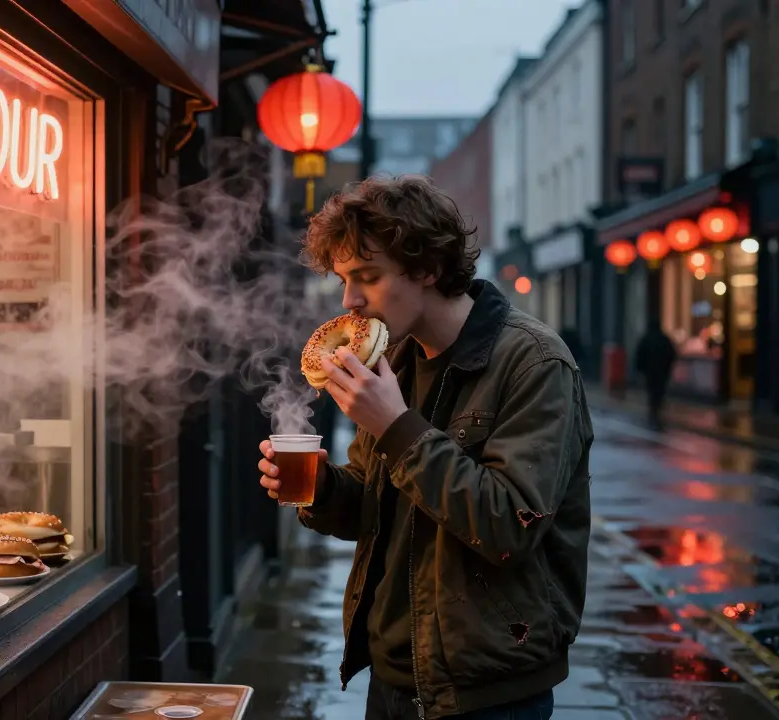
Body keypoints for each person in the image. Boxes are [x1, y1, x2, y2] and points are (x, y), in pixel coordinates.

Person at [258, 176, 593, 720]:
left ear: (428, 269)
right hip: (392, 677)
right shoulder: (395, 359)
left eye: (367, 277)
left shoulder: (533, 362)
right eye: (344, 280)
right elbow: (373, 507)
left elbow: (511, 525)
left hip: (487, 693)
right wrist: (320, 489)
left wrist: (396, 426)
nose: (350, 301)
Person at [634, 321, 677, 431]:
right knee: (659, 393)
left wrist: (640, 369)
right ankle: (657, 414)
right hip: (662, 372)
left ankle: (653, 415)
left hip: (650, 372)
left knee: (652, 393)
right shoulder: (664, 339)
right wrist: (667, 367)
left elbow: (640, 355)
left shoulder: (646, 339)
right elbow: (672, 354)